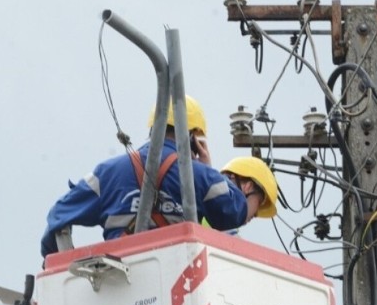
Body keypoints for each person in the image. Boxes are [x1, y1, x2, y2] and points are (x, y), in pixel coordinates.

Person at [40, 97, 267, 257]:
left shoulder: (106, 173)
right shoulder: (201, 177)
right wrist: (208, 169)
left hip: (116, 288)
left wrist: (65, 273)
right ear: (195, 139)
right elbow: (235, 212)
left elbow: (58, 216)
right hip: (175, 289)